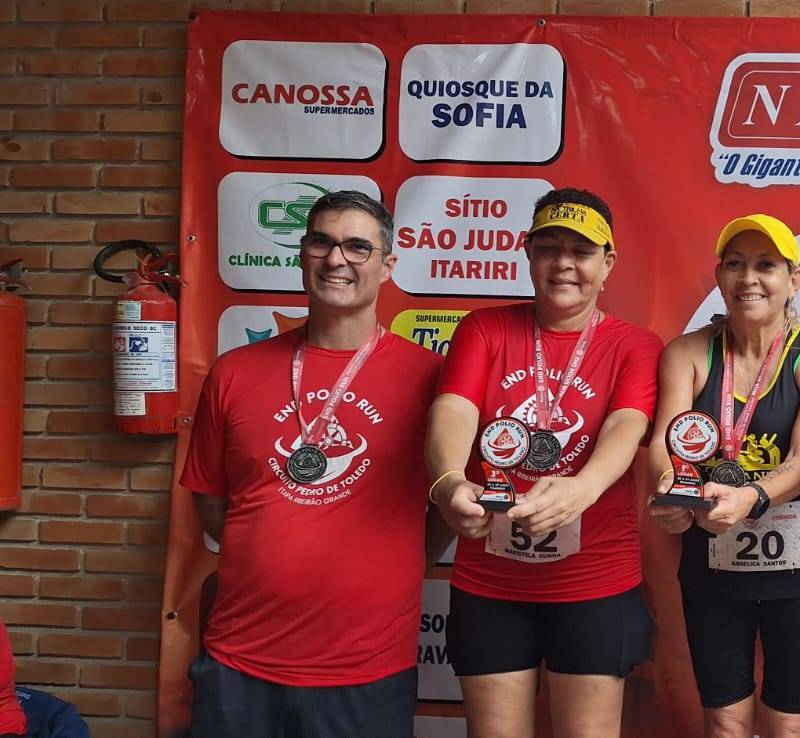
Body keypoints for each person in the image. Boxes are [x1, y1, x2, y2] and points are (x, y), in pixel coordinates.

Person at [182, 191, 450, 737]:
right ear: (302, 254)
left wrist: (397, 564)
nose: (336, 259)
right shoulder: (234, 372)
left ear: (388, 265)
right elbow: (211, 501)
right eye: (321, 242)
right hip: (239, 661)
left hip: (365, 669)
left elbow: (448, 500)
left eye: (357, 247)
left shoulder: (432, 380)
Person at [426, 187, 663, 738]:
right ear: (527, 252)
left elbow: (626, 424)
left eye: (581, 251)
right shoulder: (484, 328)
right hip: (490, 584)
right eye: (550, 247)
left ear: (608, 262)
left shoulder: (635, 344)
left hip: (595, 583)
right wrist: (449, 481)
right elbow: (454, 407)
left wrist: (583, 488)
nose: (564, 264)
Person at [647, 215, 800, 738]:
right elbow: (665, 444)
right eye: (735, 264)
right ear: (719, 276)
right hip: (711, 561)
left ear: (795, 279)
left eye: (766, 265)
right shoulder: (688, 352)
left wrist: (751, 498)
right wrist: (671, 490)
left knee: (788, 726)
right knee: (725, 723)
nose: (748, 278)